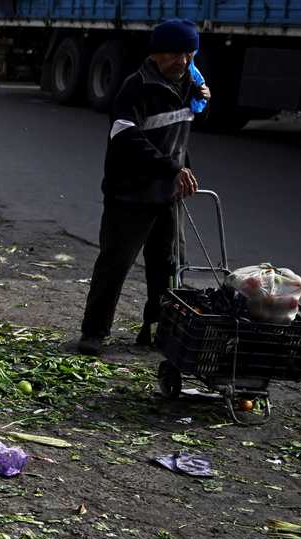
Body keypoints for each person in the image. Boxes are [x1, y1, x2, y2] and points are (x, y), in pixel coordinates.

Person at [77, 19, 211, 356]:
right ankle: (94, 333)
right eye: (171, 55)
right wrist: (172, 168)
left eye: (186, 54)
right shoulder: (136, 86)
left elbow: (178, 135)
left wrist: (201, 105)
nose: (179, 61)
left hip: (168, 193)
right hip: (131, 193)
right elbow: (125, 137)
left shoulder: (189, 85)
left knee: (168, 265)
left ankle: (155, 329)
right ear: (155, 55)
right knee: (116, 262)